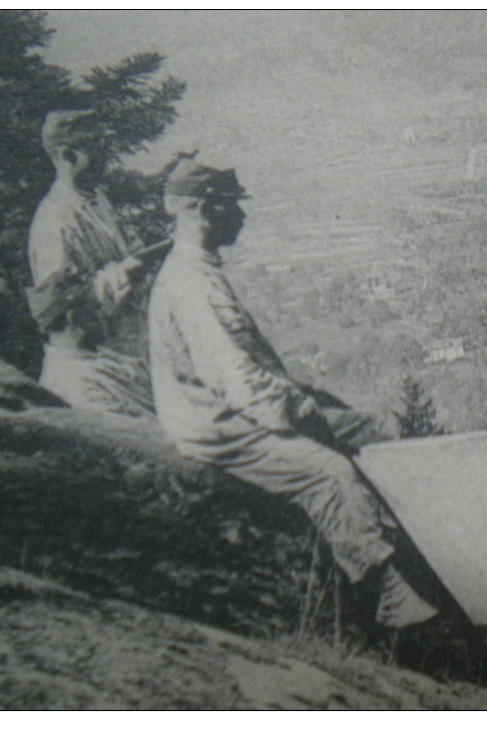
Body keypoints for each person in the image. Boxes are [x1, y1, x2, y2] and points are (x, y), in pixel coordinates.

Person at [147, 157, 439, 627]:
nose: (241, 217)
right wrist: (302, 409)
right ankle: (390, 593)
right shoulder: (192, 285)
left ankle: (423, 555)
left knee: (371, 428)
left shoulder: (197, 270)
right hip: (218, 426)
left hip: (236, 409)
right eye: (232, 208)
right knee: (331, 473)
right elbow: (239, 382)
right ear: (204, 210)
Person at [26, 109, 153, 416]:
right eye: (97, 150)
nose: (107, 157)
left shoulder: (96, 200)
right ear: (67, 155)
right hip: (87, 372)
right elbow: (58, 310)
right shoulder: (54, 221)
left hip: (120, 365)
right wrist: (126, 272)